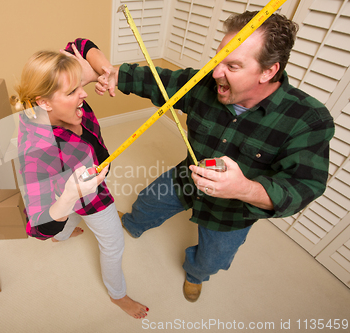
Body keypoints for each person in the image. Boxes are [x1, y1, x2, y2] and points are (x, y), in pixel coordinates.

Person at [94, 11, 335, 302]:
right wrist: (115, 75)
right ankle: (133, 225)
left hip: (232, 213)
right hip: (187, 177)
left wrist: (243, 188)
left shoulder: (308, 119)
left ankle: (195, 275)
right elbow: (161, 81)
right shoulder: (208, 84)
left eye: (232, 65)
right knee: (148, 202)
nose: (216, 72)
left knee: (213, 258)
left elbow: (304, 186)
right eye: (217, 59)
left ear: (269, 71)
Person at [12, 38, 148, 318]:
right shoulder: (36, 151)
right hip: (88, 197)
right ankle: (117, 295)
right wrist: (71, 195)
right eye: (74, 90)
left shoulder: (58, 92)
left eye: (80, 85)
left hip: (81, 184)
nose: (84, 93)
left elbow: (80, 44)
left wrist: (105, 69)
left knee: (65, 219)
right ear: (44, 103)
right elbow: (37, 227)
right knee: (113, 244)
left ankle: (61, 236)